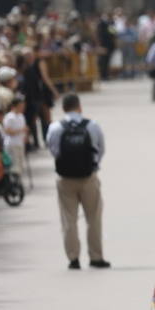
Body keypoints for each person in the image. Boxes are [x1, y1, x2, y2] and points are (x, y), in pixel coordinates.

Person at [45, 93, 109, 270]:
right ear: (79, 106)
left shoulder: (55, 127)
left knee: (69, 219)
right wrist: (93, 166)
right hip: (88, 177)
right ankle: (96, 257)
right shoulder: (92, 125)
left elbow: (53, 150)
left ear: (63, 108)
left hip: (65, 179)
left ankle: (73, 258)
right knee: (94, 218)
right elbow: (101, 149)